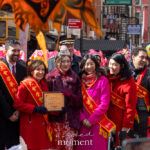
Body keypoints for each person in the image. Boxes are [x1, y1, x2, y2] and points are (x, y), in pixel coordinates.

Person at [46, 50, 82, 150]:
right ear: (57, 62)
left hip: (71, 120)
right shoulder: (50, 78)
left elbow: (80, 101)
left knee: (69, 146)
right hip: (55, 120)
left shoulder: (75, 78)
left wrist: (70, 95)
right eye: (63, 61)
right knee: (55, 146)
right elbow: (45, 99)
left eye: (68, 61)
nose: (66, 64)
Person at [77, 55, 113, 150]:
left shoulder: (103, 80)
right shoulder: (80, 81)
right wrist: (83, 119)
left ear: (96, 65)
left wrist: (91, 120)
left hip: (98, 123)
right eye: (86, 64)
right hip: (83, 124)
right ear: (83, 66)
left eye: (91, 64)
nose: (89, 66)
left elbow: (104, 104)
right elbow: (76, 103)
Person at [13, 60, 51, 149]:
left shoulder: (44, 84)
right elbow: (17, 104)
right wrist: (34, 108)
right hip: (30, 123)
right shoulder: (25, 84)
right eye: (38, 69)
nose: (41, 72)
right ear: (32, 71)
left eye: (43, 70)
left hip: (43, 122)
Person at [0, 40, 27, 149]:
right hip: (2, 114)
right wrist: (9, 113)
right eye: (13, 50)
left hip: (19, 115)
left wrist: (18, 111)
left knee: (16, 145)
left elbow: (25, 92)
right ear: (6, 50)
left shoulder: (23, 68)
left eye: (18, 50)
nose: (16, 53)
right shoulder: (0, 67)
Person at [107, 53, 137, 146]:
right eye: (110, 64)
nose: (112, 67)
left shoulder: (129, 81)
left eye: (115, 65)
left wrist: (125, 126)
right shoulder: (107, 78)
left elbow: (130, 107)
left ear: (122, 66)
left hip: (120, 123)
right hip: (106, 120)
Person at [130, 47, 150, 137]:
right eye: (141, 57)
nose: (144, 60)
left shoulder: (149, 73)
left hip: (143, 114)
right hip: (127, 114)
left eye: (145, 58)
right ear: (133, 57)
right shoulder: (125, 71)